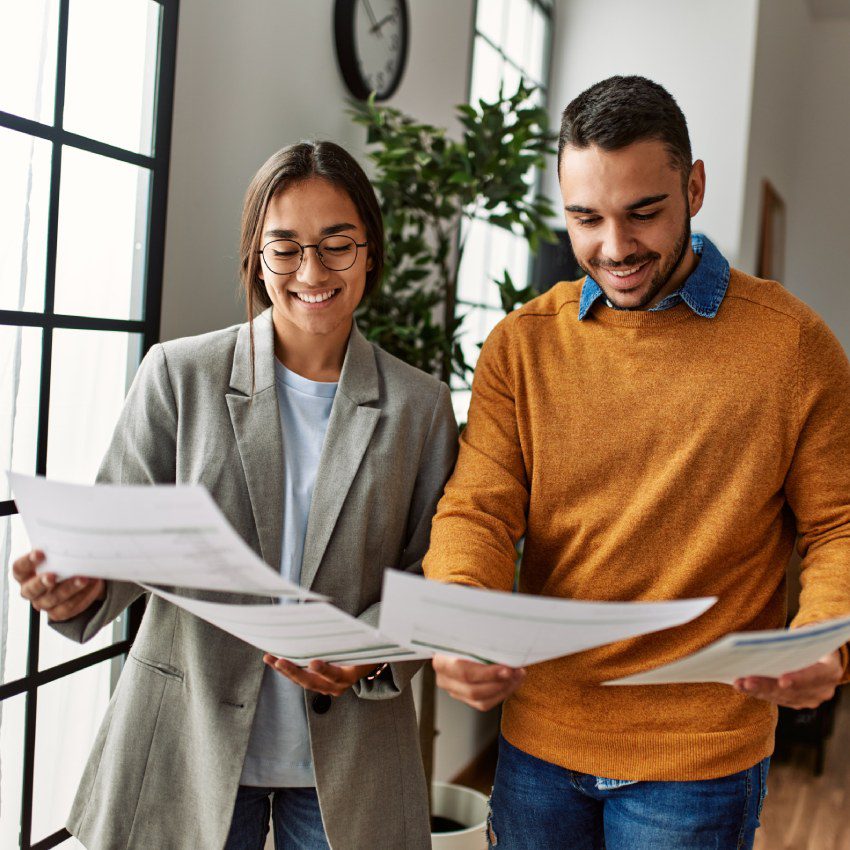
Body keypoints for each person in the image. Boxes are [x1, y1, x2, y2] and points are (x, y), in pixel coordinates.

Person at [423, 75, 850, 850]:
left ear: (692, 187)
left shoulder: (793, 346)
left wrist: (825, 633)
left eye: (643, 213)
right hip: (540, 746)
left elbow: (839, 526)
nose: (614, 248)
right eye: (585, 218)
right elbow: (478, 507)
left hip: (700, 760)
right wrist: (459, 618)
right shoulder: (522, 345)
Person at [12, 140, 458, 850]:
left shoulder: (419, 406)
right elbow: (120, 543)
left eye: (337, 246)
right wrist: (78, 585)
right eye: (285, 248)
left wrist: (369, 651)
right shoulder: (179, 376)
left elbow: (433, 569)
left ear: (370, 252)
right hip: (187, 742)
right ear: (256, 256)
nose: (312, 271)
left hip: (349, 758)